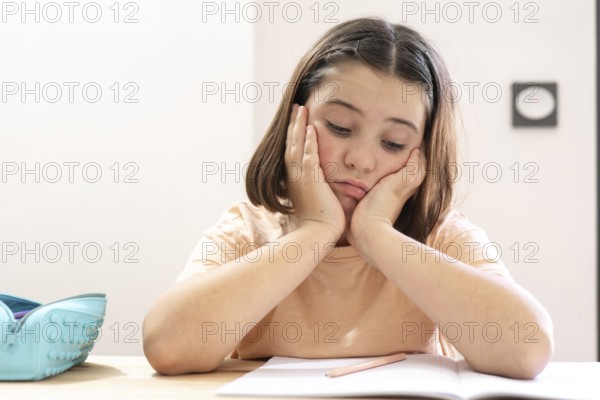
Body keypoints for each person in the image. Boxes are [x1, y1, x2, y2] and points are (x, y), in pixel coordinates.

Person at [142, 17, 553, 379]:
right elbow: (168, 347)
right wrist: (317, 231)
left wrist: (375, 235)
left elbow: (527, 349)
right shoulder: (249, 231)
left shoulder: (440, 235)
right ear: (295, 122)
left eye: (393, 143)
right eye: (339, 127)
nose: (360, 160)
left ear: (422, 155)